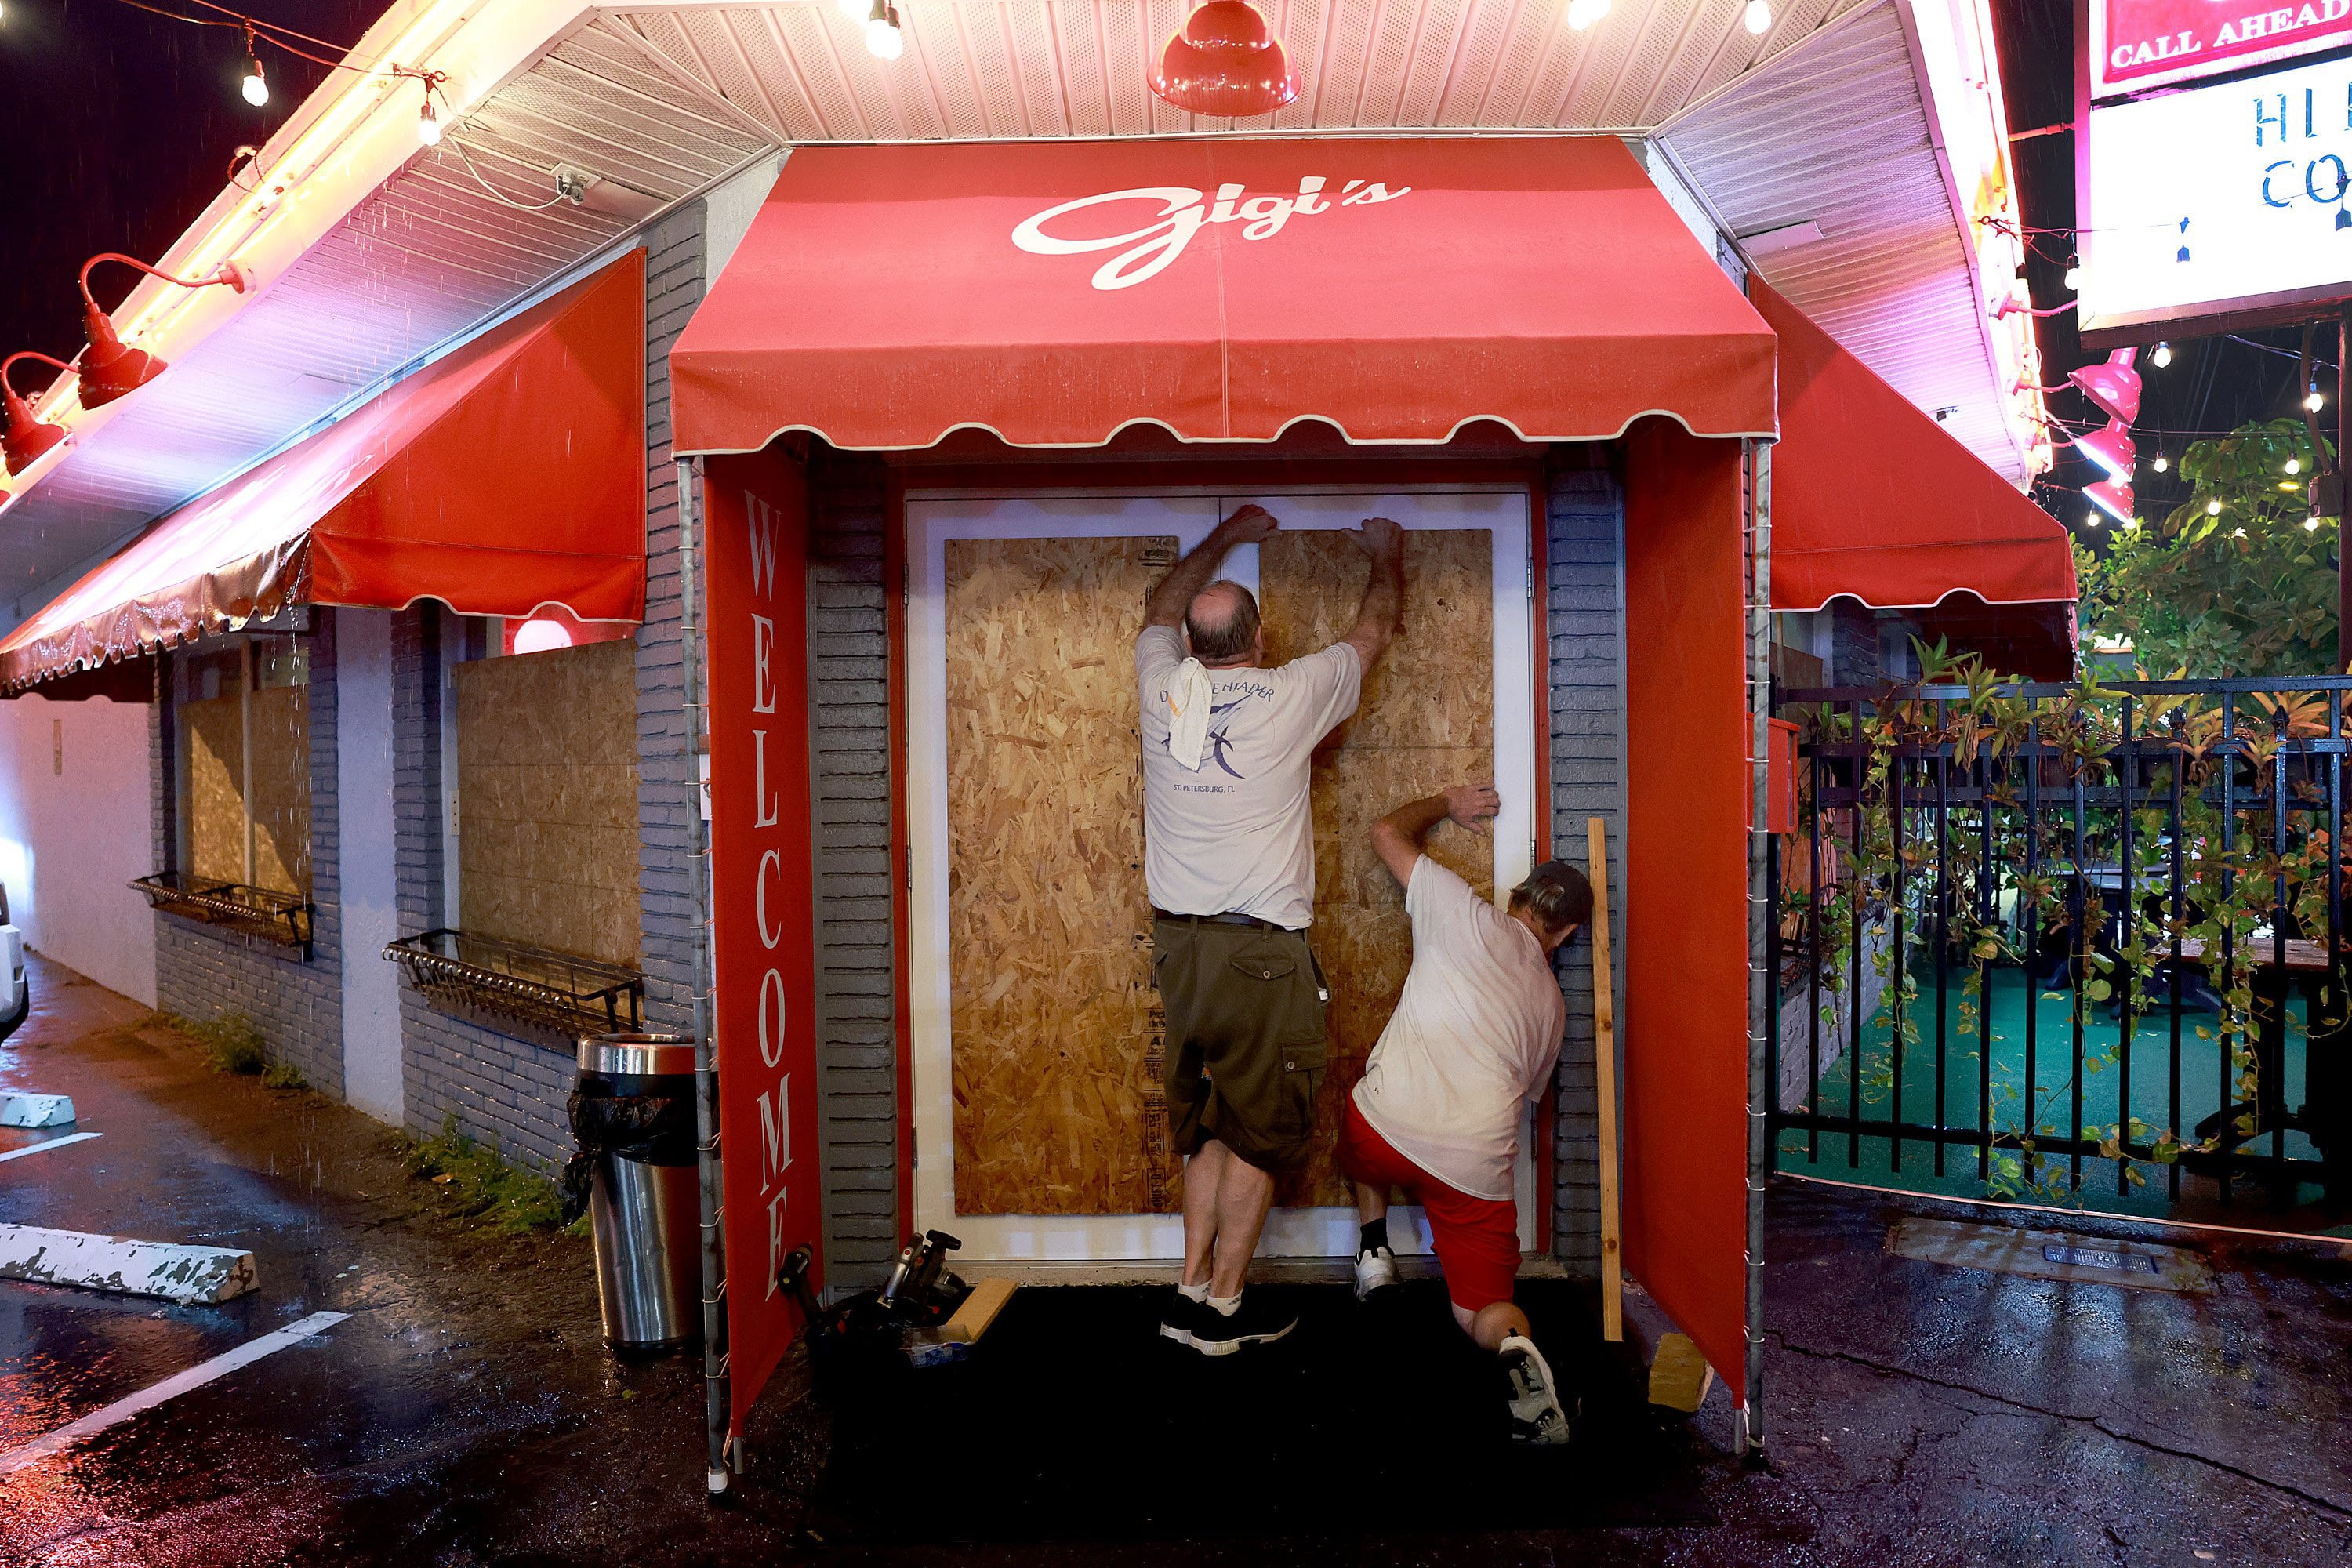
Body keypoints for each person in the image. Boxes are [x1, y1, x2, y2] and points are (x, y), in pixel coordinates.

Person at [1138, 502, 1403, 1356]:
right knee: (1257, 1132)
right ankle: (1223, 1309)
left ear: (1190, 643)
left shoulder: (1160, 689)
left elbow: (1156, 609)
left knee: (1212, 1125)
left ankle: (1188, 1292)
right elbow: (1370, 633)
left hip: (1182, 951)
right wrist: (1385, 554)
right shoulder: (1290, 693)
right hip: (1258, 953)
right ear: (1259, 638)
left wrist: (1224, 535)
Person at [1341, 784, 1590, 1444]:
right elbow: (1529, 1098)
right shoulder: (1553, 1008)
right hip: (1471, 1168)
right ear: (1565, 933)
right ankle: (1513, 1348)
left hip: (1384, 1131)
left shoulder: (1460, 908)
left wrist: (1448, 804)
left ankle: (1374, 1253)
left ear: (1516, 899)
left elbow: (1386, 830)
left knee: (1364, 1107)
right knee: (1485, 1308)